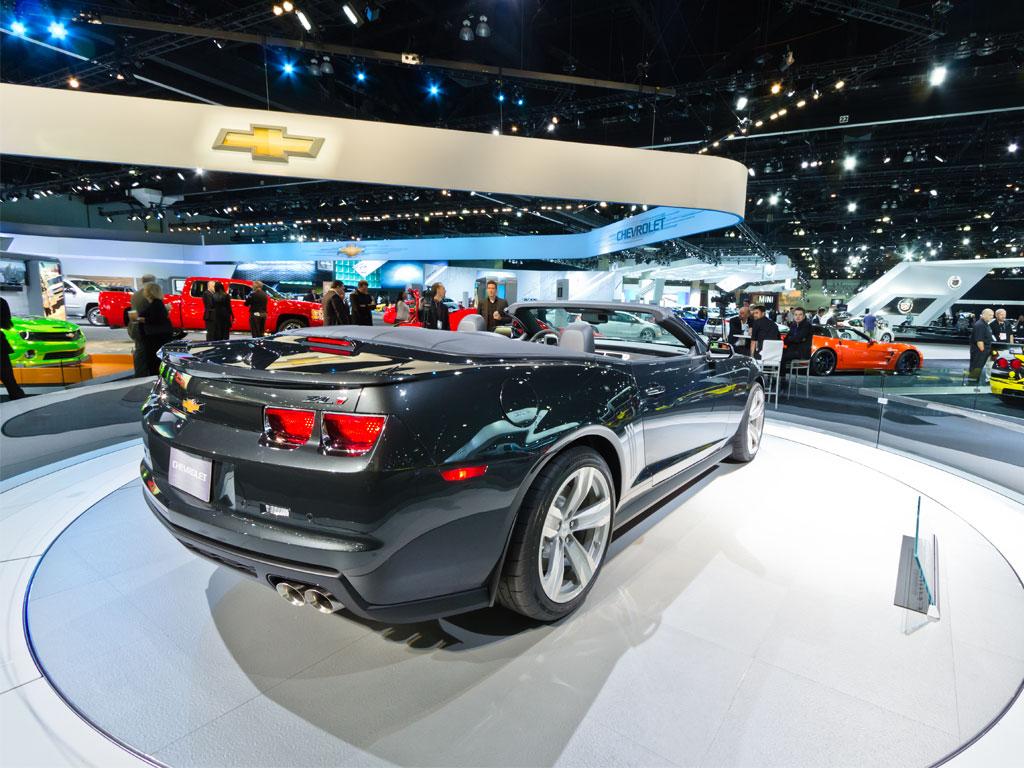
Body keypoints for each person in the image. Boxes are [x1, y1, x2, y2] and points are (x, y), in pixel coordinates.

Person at [138, 282, 173, 375]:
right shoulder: (158, 303)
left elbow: (155, 319)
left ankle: (156, 379)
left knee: (154, 362)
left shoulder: (156, 303)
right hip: (159, 336)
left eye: (145, 290)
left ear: (149, 292)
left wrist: (140, 319)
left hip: (155, 338)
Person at [128, 273, 156, 376]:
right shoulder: (149, 294)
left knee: (140, 351)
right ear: (153, 282)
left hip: (135, 328)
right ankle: (143, 376)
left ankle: (140, 374)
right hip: (145, 328)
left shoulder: (135, 295)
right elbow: (153, 313)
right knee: (145, 353)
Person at [1, 296, 26, 400]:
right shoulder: (2, 301)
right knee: (9, 379)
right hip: (1, 346)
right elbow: (7, 323)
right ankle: (20, 401)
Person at [969, 308, 995, 383]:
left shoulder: (985, 324)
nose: (991, 317)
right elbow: (979, 340)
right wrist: (983, 351)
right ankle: (972, 383)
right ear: (983, 315)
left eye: (992, 315)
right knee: (976, 367)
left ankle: (974, 381)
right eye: (990, 315)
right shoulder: (980, 325)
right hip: (979, 351)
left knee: (978, 367)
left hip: (983, 351)